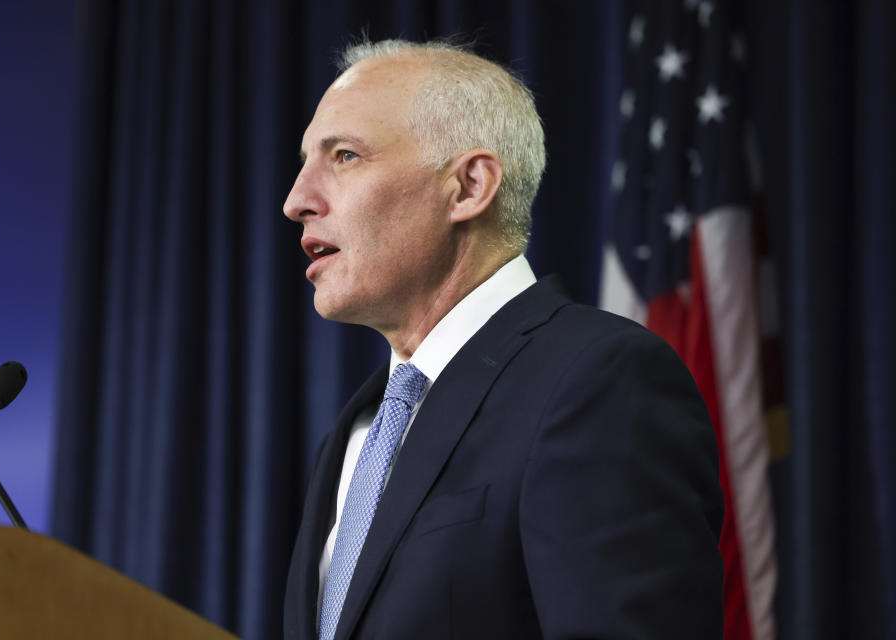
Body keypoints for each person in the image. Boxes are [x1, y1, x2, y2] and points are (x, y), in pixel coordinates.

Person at [282, 38, 723, 640]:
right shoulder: (354, 432)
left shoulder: (600, 381)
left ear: (469, 187)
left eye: (345, 156)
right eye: (305, 162)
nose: (296, 201)